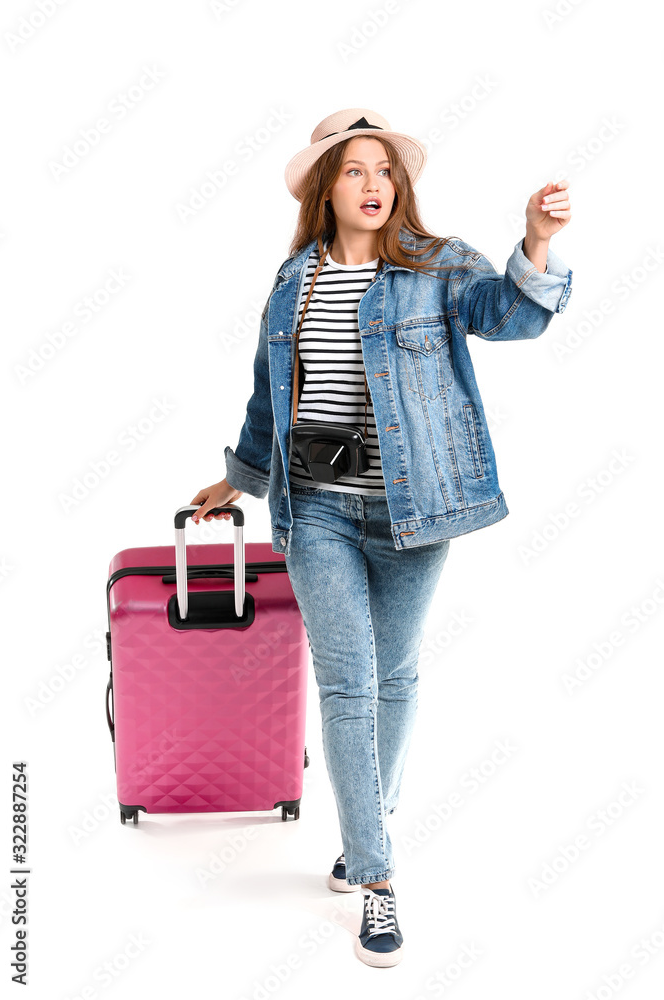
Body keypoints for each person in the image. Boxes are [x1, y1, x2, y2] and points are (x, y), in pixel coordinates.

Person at [190, 108, 573, 968]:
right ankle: (375, 876)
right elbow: (268, 400)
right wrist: (238, 479)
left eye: (385, 171)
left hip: (415, 510)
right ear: (325, 186)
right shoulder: (293, 280)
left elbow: (514, 316)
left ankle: (370, 821)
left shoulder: (436, 268)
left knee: (395, 676)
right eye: (355, 170)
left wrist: (535, 242)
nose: (373, 185)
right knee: (347, 686)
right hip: (316, 510)